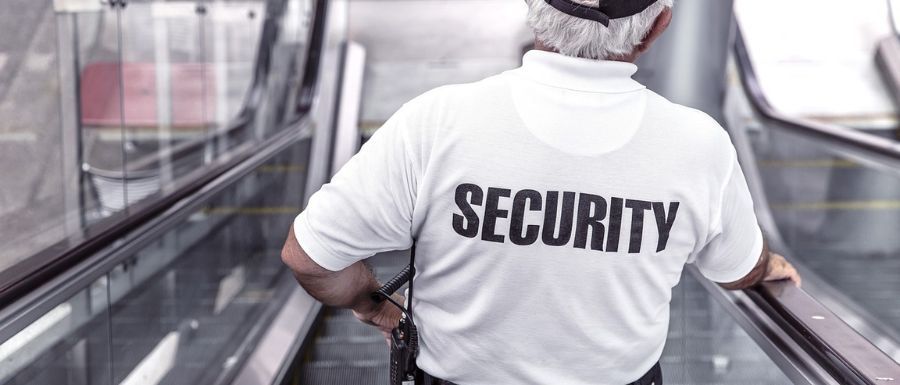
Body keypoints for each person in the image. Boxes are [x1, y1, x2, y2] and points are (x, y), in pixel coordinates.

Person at [281, 0, 801, 384]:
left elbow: (309, 258)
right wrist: (767, 265)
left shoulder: (437, 121)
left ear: (532, 9)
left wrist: (374, 304)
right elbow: (738, 270)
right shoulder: (699, 145)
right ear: (657, 26)